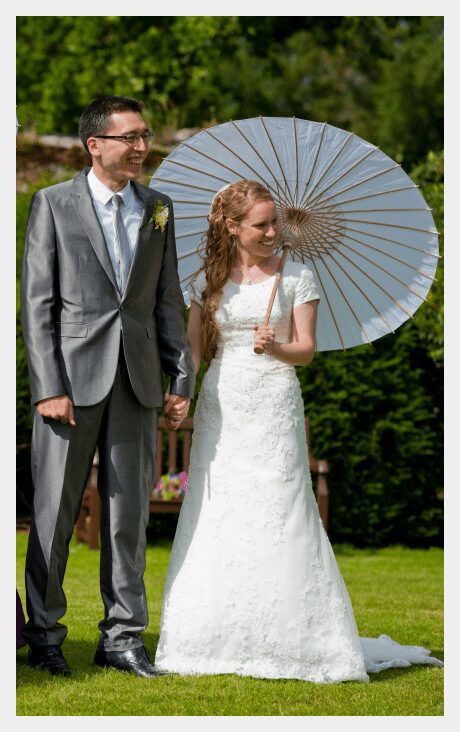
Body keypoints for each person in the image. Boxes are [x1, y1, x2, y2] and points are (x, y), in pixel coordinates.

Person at [154, 179, 443, 682]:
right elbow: (195, 350)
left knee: (281, 507)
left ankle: (300, 641)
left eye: (275, 223)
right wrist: (182, 394)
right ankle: (205, 638)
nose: (272, 232)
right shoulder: (209, 279)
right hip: (224, 402)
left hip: (274, 400)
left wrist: (277, 346)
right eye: (261, 224)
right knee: (216, 506)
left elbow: (306, 350)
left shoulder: (298, 276)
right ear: (232, 226)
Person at [20, 95, 195, 678]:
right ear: (94, 144)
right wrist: (48, 384)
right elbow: (37, 304)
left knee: (128, 518)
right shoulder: (52, 204)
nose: (141, 147)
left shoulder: (159, 208)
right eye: (129, 138)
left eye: (144, 136)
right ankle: (44, 635)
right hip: (68, 384)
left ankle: (123, 637)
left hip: (138, 381)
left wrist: (180, 378)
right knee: (55, 514)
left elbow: (167, 300)